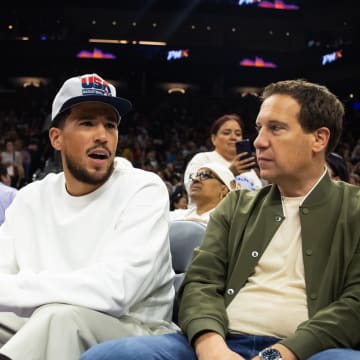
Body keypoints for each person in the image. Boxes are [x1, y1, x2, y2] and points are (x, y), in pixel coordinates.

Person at [80, 79, 360, 360]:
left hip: (311, 351)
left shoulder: (354, 209)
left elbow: (354, 305)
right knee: (106, 356)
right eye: (259, 129)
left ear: (319, 139)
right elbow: (200, 282)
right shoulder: (236, 205)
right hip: (219, 342)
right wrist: (210, 347)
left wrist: (279, 354)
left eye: (276, 128)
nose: (259, 142)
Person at [0, 73, 177, 360]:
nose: (102, 135)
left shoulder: (143, 189)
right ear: (56, 138)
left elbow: (115, 292)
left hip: (137, 331)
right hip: (44, 317)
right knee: (53, 318)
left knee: (59, 319)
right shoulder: (32, 197)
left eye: (110, 124)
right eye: (87, 123)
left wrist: (20, 291)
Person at [183, 114, 263, 206]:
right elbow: (194, 190)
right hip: (205, 218)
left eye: (238, 134)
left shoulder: (246, 168)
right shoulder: (202, 159)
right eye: (226, 133)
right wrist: (230, 173)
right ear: (214, 139)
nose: (233, 137)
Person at [170, 163, 235, 225]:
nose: (195, 179)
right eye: (196, 175)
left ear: (224, 189)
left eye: (205, 176)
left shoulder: (232, 221)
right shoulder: (176, 216)